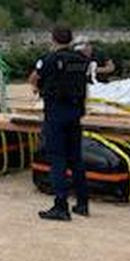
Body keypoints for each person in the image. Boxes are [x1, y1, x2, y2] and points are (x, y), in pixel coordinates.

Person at [29, 26, 91, 221]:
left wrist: (39, 86)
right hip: (75, 113)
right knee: (76, 159)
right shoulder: (81, 60)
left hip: (56, 113)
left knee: (57, 159)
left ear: (53, 39)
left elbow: (34, 78)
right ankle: (82, 203)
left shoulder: (50, 59)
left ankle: (61, 206)